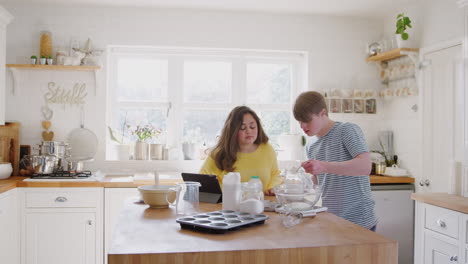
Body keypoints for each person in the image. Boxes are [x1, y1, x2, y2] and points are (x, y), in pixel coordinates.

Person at [293, 91, 377, 231]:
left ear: (323, 113)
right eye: (299, 121)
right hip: (333, 220)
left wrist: (323, 166)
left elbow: (365, 166)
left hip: (359, 221)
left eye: (307, 120)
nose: (302, 126)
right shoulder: (311, 145)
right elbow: (320, 181)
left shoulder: (347, 130)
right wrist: (305, 181)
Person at [199, 106, 281, 196]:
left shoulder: (267, 149)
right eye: (242, 128)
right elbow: (202, 181)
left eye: (252, 127)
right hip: (228, 206)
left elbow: (275, 174)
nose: (249, 131)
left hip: (262, 205)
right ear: (232, 131)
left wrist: (272, 188)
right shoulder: (219, 153)